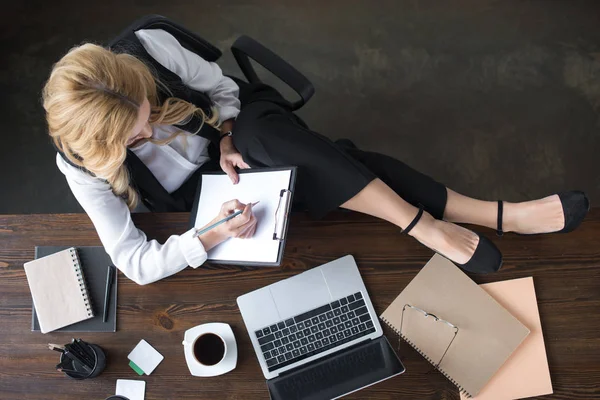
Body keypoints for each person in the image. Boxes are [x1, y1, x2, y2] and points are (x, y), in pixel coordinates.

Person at [42, 28, 589, 285]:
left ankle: (422, 227)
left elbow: (224, 91)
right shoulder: (81, 167)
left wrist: (228, 136)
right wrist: (207, 235)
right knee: (336, 163)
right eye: (138, 137)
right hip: (206, 198)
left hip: (237, 127)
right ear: (104, 149)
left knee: (268, 143)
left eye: (149, 109)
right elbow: (132, 261)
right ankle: (499, 214)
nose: (154, 126)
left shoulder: (146, 48)